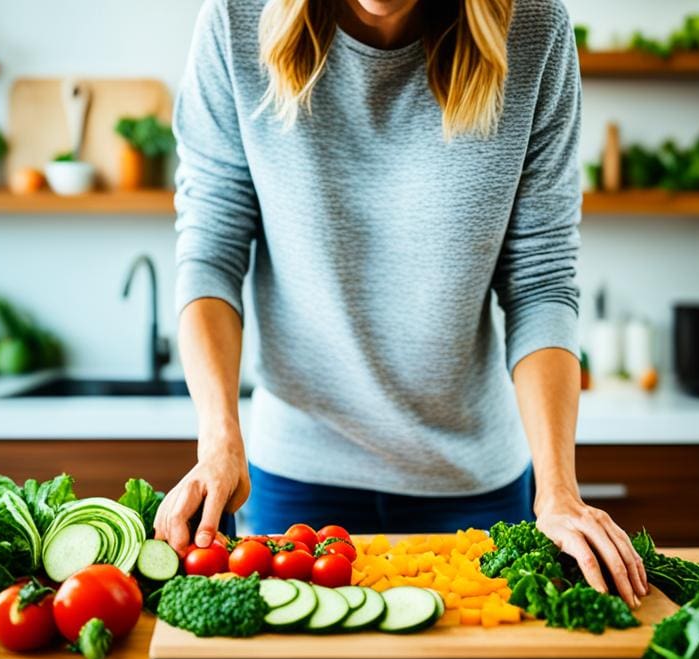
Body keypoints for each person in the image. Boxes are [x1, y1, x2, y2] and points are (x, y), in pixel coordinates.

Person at [155, 0, 648, 607]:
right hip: (299, 475)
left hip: (476, 483)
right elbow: (211, 252)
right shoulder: (236, 19)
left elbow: (540, 281)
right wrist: (219, 441)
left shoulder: (534, 29)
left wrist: (559, 490)